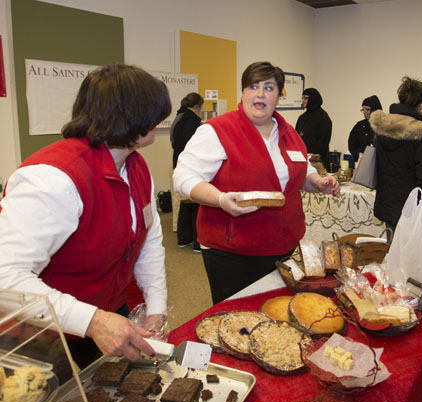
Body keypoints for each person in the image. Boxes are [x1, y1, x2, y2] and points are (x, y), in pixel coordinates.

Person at [0, 64, 170, 368]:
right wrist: (93, 321)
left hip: (106, 316)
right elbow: (5, 277)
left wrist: (156, 307)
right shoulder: (54, 178)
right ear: (132, 116)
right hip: (43, 336)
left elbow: (149, 238)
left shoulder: (135, 165)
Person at [173, 62, 339, 304]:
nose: (260, 94)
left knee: (273, 314)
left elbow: (300, 170)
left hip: (283, 249)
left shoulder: (288, 133)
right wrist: (221, 200)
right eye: (253, 86)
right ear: (243, 93)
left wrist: (317, 181)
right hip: (233, 253)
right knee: (238, 322)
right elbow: (183, 176)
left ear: (278, 96)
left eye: (269, 88)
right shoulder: (216, 131)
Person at [370, 76, 422, 233]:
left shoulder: (382, 126)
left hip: (387, 201)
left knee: (392, 249)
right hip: (412, 206)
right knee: (409, 255)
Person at [170, 92, 204, 253]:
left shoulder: (178, 117)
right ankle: (198, 243)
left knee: (185, 203)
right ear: (197, 107)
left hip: (179, 164)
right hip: (192, 166)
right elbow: (193, 145)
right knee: (197, 203)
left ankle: (184, 239)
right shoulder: (190, 121)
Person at [295, 87, 332, 169]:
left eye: (306, 98)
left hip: (318, 162)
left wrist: (312, 155)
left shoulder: (323, 117)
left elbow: (323, 141)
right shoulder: (302, 117)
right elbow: (296, 137)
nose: (303, 100)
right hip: (302, 159)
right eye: (302, 97)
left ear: (313, 99)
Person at [348, 95, 382, 162]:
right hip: (362, 163)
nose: (364, 112)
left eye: (367, 109)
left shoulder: (383, 127)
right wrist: (359, 153)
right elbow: (352, 144)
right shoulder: (359, 126)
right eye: (363, 109)